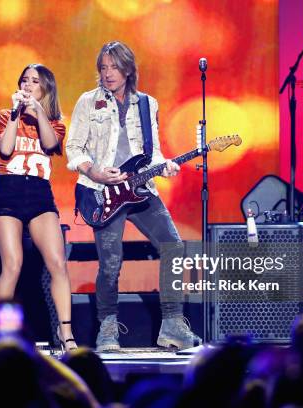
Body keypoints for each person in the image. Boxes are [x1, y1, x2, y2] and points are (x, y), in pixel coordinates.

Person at [66, 41, 201, 351]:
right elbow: (74, 148)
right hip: (101, 192)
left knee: (173, 246)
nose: (108, 73)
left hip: (140, 189)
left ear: (128, 69)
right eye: (103, 67)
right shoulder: (88, 102)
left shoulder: (146, 104)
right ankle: (108, 328)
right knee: (111, 262)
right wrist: (95, 172)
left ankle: (173, 324)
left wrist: (163, 166)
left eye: (113, 67)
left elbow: (151, 151)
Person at [0, 63, 76, 351]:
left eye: (34, 81)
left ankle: (66, 333)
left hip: (39, 195)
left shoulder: (55, 122)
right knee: (12, 265)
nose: (27, 85)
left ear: (45, 88)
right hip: (9, 192)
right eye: (24, 80)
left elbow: (51, 144)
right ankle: (4, 333)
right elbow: (4, 149)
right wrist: (16, 114)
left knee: (57, 263)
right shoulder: (4, 116)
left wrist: (37, 111)